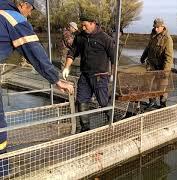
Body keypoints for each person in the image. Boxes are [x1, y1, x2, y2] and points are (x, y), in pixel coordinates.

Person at [0, 0, 74, 175]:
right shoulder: (13, 17)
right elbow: (34, 49)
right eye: (30, 9)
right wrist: (56, 78)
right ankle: (2, 169)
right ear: (22, 4)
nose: (30, 14)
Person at [63, 13, 115, 132]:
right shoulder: (80, 37)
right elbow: (72, 52)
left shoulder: (105, 38)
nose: (83, 28)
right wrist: (67, 67)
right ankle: (85, 128)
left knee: (103, 101)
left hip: (100, 76)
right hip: (85, 76)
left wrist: (112, 74)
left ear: (93, 23)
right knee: (81, 101)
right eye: (82, 25)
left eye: (85, 25)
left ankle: (112, 120)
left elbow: (114, 57)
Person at [140, 18, 174, 108]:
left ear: (162, 26)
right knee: (150, 85)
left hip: (162, 67)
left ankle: (163, 104)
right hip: (151, 66)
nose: (156, 29)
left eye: (158, 27)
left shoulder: (167, 39)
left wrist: (165, 71)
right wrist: (143, 57)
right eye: (155, 27)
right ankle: (152, 102)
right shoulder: (153, 35)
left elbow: (169, 57)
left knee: (162, 86)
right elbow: (148, 48)